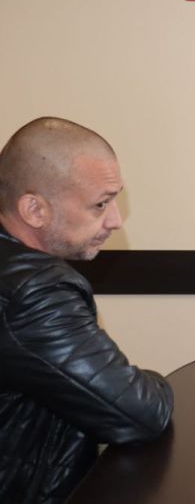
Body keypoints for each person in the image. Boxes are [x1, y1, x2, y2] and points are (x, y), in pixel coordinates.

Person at [0, 117, 174, 503]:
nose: (115, 221)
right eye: (100, 204)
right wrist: (153, 380)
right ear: (34, 209)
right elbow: (138, 414)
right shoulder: (34, 291)